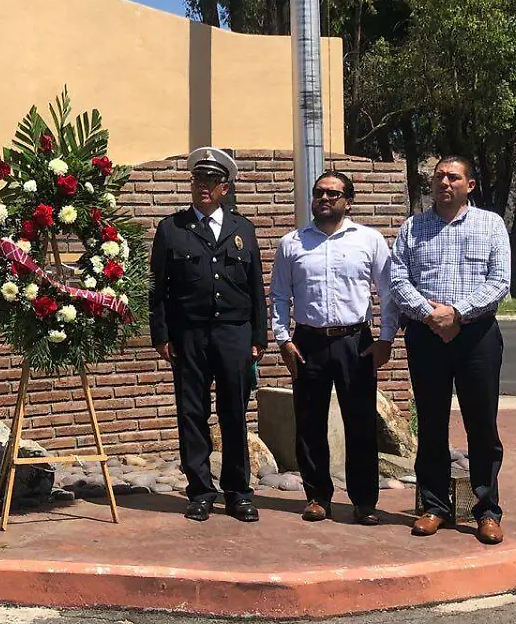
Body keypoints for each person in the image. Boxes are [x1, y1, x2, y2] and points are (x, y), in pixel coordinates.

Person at [389, 156, 510, 545]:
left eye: (453, 177)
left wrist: (457, 313)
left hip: (477, 336)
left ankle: (487, 510)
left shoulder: (490, 225)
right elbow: (398, 277)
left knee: (482, 424)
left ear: (469, 185)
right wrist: (430, 315)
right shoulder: (414, 226)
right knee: (431, 421)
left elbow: (500, 280)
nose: (444, 182)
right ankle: (434, 505)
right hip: (426, 336)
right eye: (439, 176)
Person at [270, 171, 398, 526]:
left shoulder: (369, 241)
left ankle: (364, 501)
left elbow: (387, 294)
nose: (324, 199)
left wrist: (386, 339)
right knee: (309, 422)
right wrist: (283, 339)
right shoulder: (292, 243)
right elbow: (279, 295)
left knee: (359, 422)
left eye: (333, 193)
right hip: (308, 341)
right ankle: (317, 496)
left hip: (354, 342)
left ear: (348, 200)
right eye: (318, 193)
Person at [149, 147, 268, 523]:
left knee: (234, 412)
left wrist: (259, 337)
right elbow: (158, 288)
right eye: (198, 180)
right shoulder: (172, 228)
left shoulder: (242, 229)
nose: (203, 187)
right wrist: (161, 335)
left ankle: (238, 492)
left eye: (212, 181)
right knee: (192, 413)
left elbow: (255, 287)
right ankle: (200, 491)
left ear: (225, 188)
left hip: (234, 334)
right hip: (190, 335)